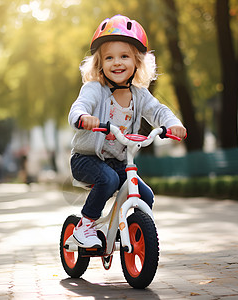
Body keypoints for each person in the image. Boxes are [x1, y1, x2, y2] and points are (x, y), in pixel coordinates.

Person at [68, 15, 187, 248]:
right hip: (86, 159)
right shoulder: (95, 89)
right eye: (109, 57)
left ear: (138, 62)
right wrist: (83, 118)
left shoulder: (140, 95)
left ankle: (129, 230)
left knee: (146, 195)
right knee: (108, 179)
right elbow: (78, 106)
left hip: (119, 162)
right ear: (100, 63)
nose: (117, 62)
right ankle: (85, 226)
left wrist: (173, 124)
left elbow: (158, 110)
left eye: (124, 56)